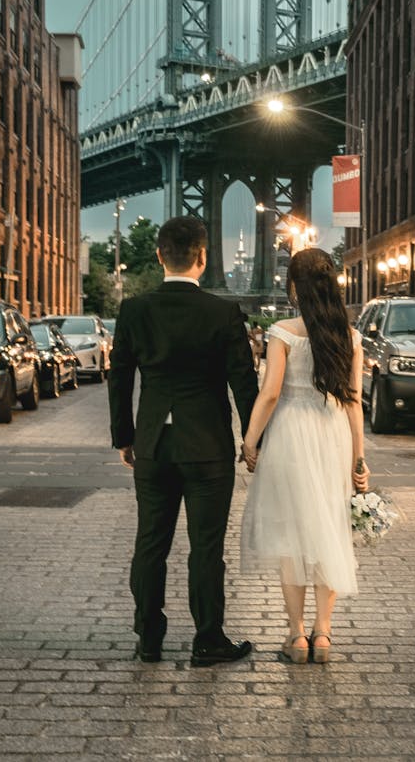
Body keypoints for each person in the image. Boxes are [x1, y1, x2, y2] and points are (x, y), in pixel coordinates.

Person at [108, 216, 258, 666]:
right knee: (206, 548)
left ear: (158, 256)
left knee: (150, 543)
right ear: (203, 257)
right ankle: (208, 639)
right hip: (207, 447)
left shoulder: (134, 311)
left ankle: (148, 638)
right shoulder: (222, 312)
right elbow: (243, 382)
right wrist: (253, 440)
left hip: (153, 444)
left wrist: (125, 436)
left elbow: (119, 379)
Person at [239, 247, 369, 665]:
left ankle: (296, 636)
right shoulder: (349, 337)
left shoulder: (283, 332)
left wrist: (250, 440)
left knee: (292, 534)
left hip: (292, 436)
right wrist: (359, 459)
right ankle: (324, 634)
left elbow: (272, 393)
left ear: (293, 287)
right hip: (332, 435)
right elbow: (354, 401)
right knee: (330, 528)